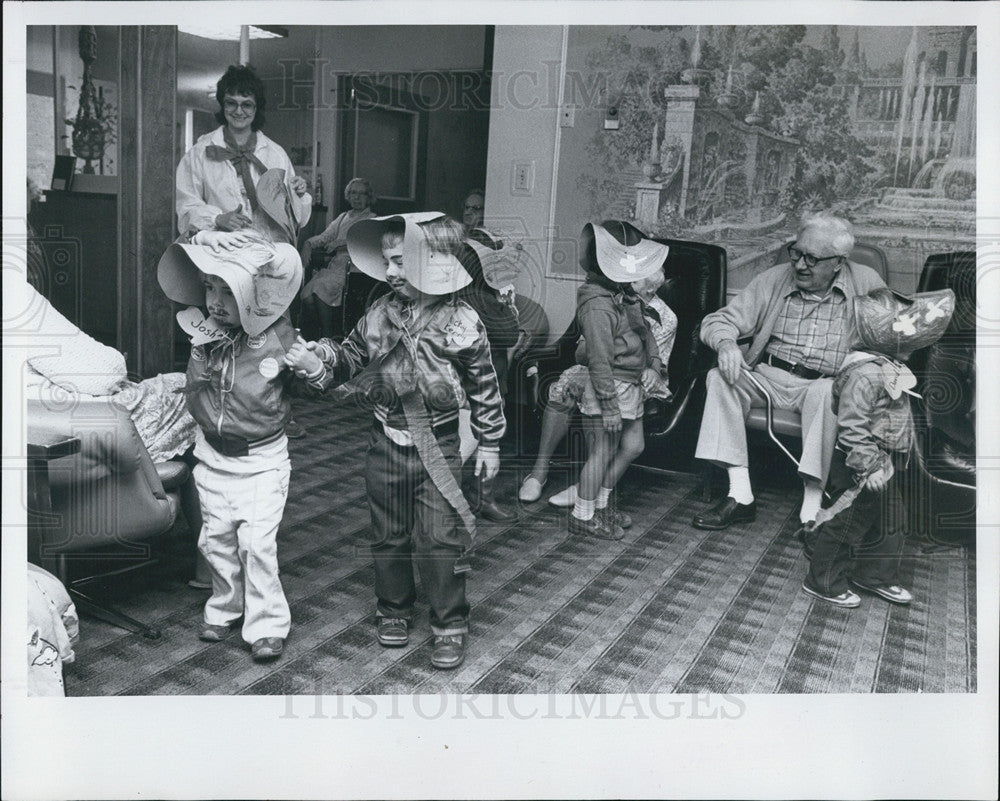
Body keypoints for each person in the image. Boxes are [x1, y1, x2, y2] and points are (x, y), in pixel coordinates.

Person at [285, 213, 505, 670]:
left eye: (401, 261)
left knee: (438, 538)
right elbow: (348, 355)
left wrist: (489, 442)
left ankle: (449, 624)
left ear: (435, 261)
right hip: (385, 441)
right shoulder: (381, 310)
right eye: (387, 261)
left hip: (439, 445)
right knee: (388, 533)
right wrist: (313, 359)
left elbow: (485, 384)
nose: (390, 272)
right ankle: (393, 608)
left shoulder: (463, 320)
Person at [157, 230, 306, 662]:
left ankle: (267, 625)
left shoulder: (276, 332)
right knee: (216, 542)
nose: (217, 301)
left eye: (229, 290)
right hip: (211, 457)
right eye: (210, 287)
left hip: (261, 461)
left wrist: (314, 368)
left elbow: (284, 262)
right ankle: (224, 607)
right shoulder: (204, 330)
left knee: (257, 546)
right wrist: (203, 237)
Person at [691, 212, 885, 531]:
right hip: (768, 377)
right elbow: (718, 321)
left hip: (823, 384)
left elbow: (892, 339)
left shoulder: (866, 283)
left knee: (830, 393)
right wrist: (726, 345)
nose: (800, 265)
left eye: (812, 258)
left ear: (838, 261)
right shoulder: (775, 277)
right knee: (719, 378)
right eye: (797, 253)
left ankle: (812, 503)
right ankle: (740, 494)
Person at [175, 64, 311, 438]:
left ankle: (269, 409)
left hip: (266, 260)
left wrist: (298, 193)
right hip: (226, 261)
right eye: (231, 103)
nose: (238, 111)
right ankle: (217, 409)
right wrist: (217, 218)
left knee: (271, 333)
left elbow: (293, 216)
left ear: (256, 108)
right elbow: (185, 205)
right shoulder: (201, 152)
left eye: (246, 104)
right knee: (223, 330)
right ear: (222, 104)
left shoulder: (275, 152)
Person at [802, 287, 955, 607]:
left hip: (887, 459)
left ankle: (874, 574)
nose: (915, 347)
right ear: (884, 341)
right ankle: (823, 579)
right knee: (847, 522)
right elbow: (852, 427)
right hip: (863, 464)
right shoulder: (865, 375)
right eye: (908, 341)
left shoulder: (888, 365)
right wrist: (869, 466)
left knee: (892, 519)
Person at [519, 263, 676, 508]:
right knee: (564, 389)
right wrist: (597, 349)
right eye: (645, 287)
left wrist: (649, 369)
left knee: (611, 433)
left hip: (636, 378)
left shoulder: (664, 316)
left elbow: (657, 362)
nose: (649, 295)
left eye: (654, 290)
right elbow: (583, 354)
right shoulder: (609, 302)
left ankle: (587, 491)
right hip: (598, 369)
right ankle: (539, 471)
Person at [567, 221, 668, 541]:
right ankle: (582, 514)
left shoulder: (624, 293)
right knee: (603, 452)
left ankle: (600, 504)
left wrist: (654, 363)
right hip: (607, 387)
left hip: (632, 384)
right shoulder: (597, 304)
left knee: (633, 445)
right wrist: (609, 406)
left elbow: (646, 331)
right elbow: (597, 360)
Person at [455, 228, 522, 523]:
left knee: (476, 441)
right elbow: (509, 336)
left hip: (477, 380)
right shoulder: (480, 297)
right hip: (480, 382)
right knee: (471, 443)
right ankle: (465, 498)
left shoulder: (464, 290)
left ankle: (478, 496)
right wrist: (507, 303)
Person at [300, 177, 377, 339]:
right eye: (353, 193)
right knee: (307, 296)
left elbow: (364, 243)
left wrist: (339, 243)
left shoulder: (371, 218)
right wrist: (308, 244)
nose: (357, 197)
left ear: (368, 197)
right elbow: (324, 237)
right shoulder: (343, 217)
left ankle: (328, 336)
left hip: (355, 268)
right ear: (348, 196)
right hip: (335, 266)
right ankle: (322, 333)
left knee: (320, 288)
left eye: (362, 194)